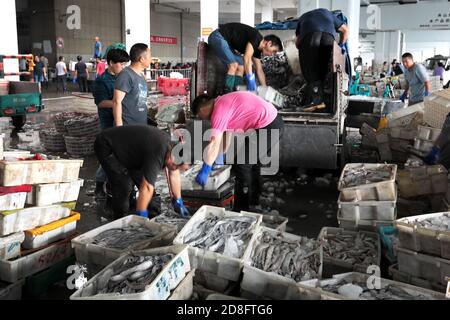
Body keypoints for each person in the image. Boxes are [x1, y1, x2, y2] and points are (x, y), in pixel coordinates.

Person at [191, 91, 284, 212]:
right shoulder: (222, 102)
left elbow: (214, 143)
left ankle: (241, 209)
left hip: (269, 125)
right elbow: (224, 139)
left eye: (199, 116)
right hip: (271, 122)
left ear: (202, 109)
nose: (202, 119)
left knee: (242, 165)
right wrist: (217, 158)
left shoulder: (219, 111)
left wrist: (206, 169)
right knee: (252, 164)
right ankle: (254, 201)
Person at [94, 125, 190, 219]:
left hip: (132, 152)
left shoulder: (173, 150)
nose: (175, 168)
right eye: (176, 165)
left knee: (147, 190)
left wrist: (178, 200)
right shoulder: (158, 152)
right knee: (123, 186)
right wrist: (141, 213)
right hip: (107, 146)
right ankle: (119, 218)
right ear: (171, 156)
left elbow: (174, 172)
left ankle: (144, 211)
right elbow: (147, 187)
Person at [93, 48, 130, 199]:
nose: (123, 67)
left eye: (124, 64)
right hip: (108, 122)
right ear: (111, 63)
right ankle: (99, 184)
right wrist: (118, 103)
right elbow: (101, 103)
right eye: (120, 64)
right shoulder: (101, 81)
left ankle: (113, 184)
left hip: (123, 120)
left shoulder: (124, 76)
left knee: (120, 155)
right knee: (110, 156)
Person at [295, 8, 349, 107]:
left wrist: (303, 51)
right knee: (325, 71)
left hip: (309, 38)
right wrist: (340, 45)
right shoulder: (328, 14)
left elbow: (298, 42)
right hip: (328, 38)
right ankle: (326, 102)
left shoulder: (303, 17)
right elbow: (345, 30)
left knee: (311, 73)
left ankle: (316, 101)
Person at [208, 23, 283, 93]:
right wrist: (250, 79)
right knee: (233, 65)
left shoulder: (257, 50)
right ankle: (227, 93)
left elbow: (259, 70)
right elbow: (246, 59)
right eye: (273, 51)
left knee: (241, 67)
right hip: (217, 36)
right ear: (269, 43)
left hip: (227, 43)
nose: (272, 54)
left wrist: (265, 89)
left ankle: (237, 92)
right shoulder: (256, 37)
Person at [113, 43, 152, 126]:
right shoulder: (126, 75)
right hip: (128, 127)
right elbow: (116, 102)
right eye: (149, 56)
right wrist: (119, 127)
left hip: (141, 125)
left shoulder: (141, 76)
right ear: (142, 59)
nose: (151, 59)